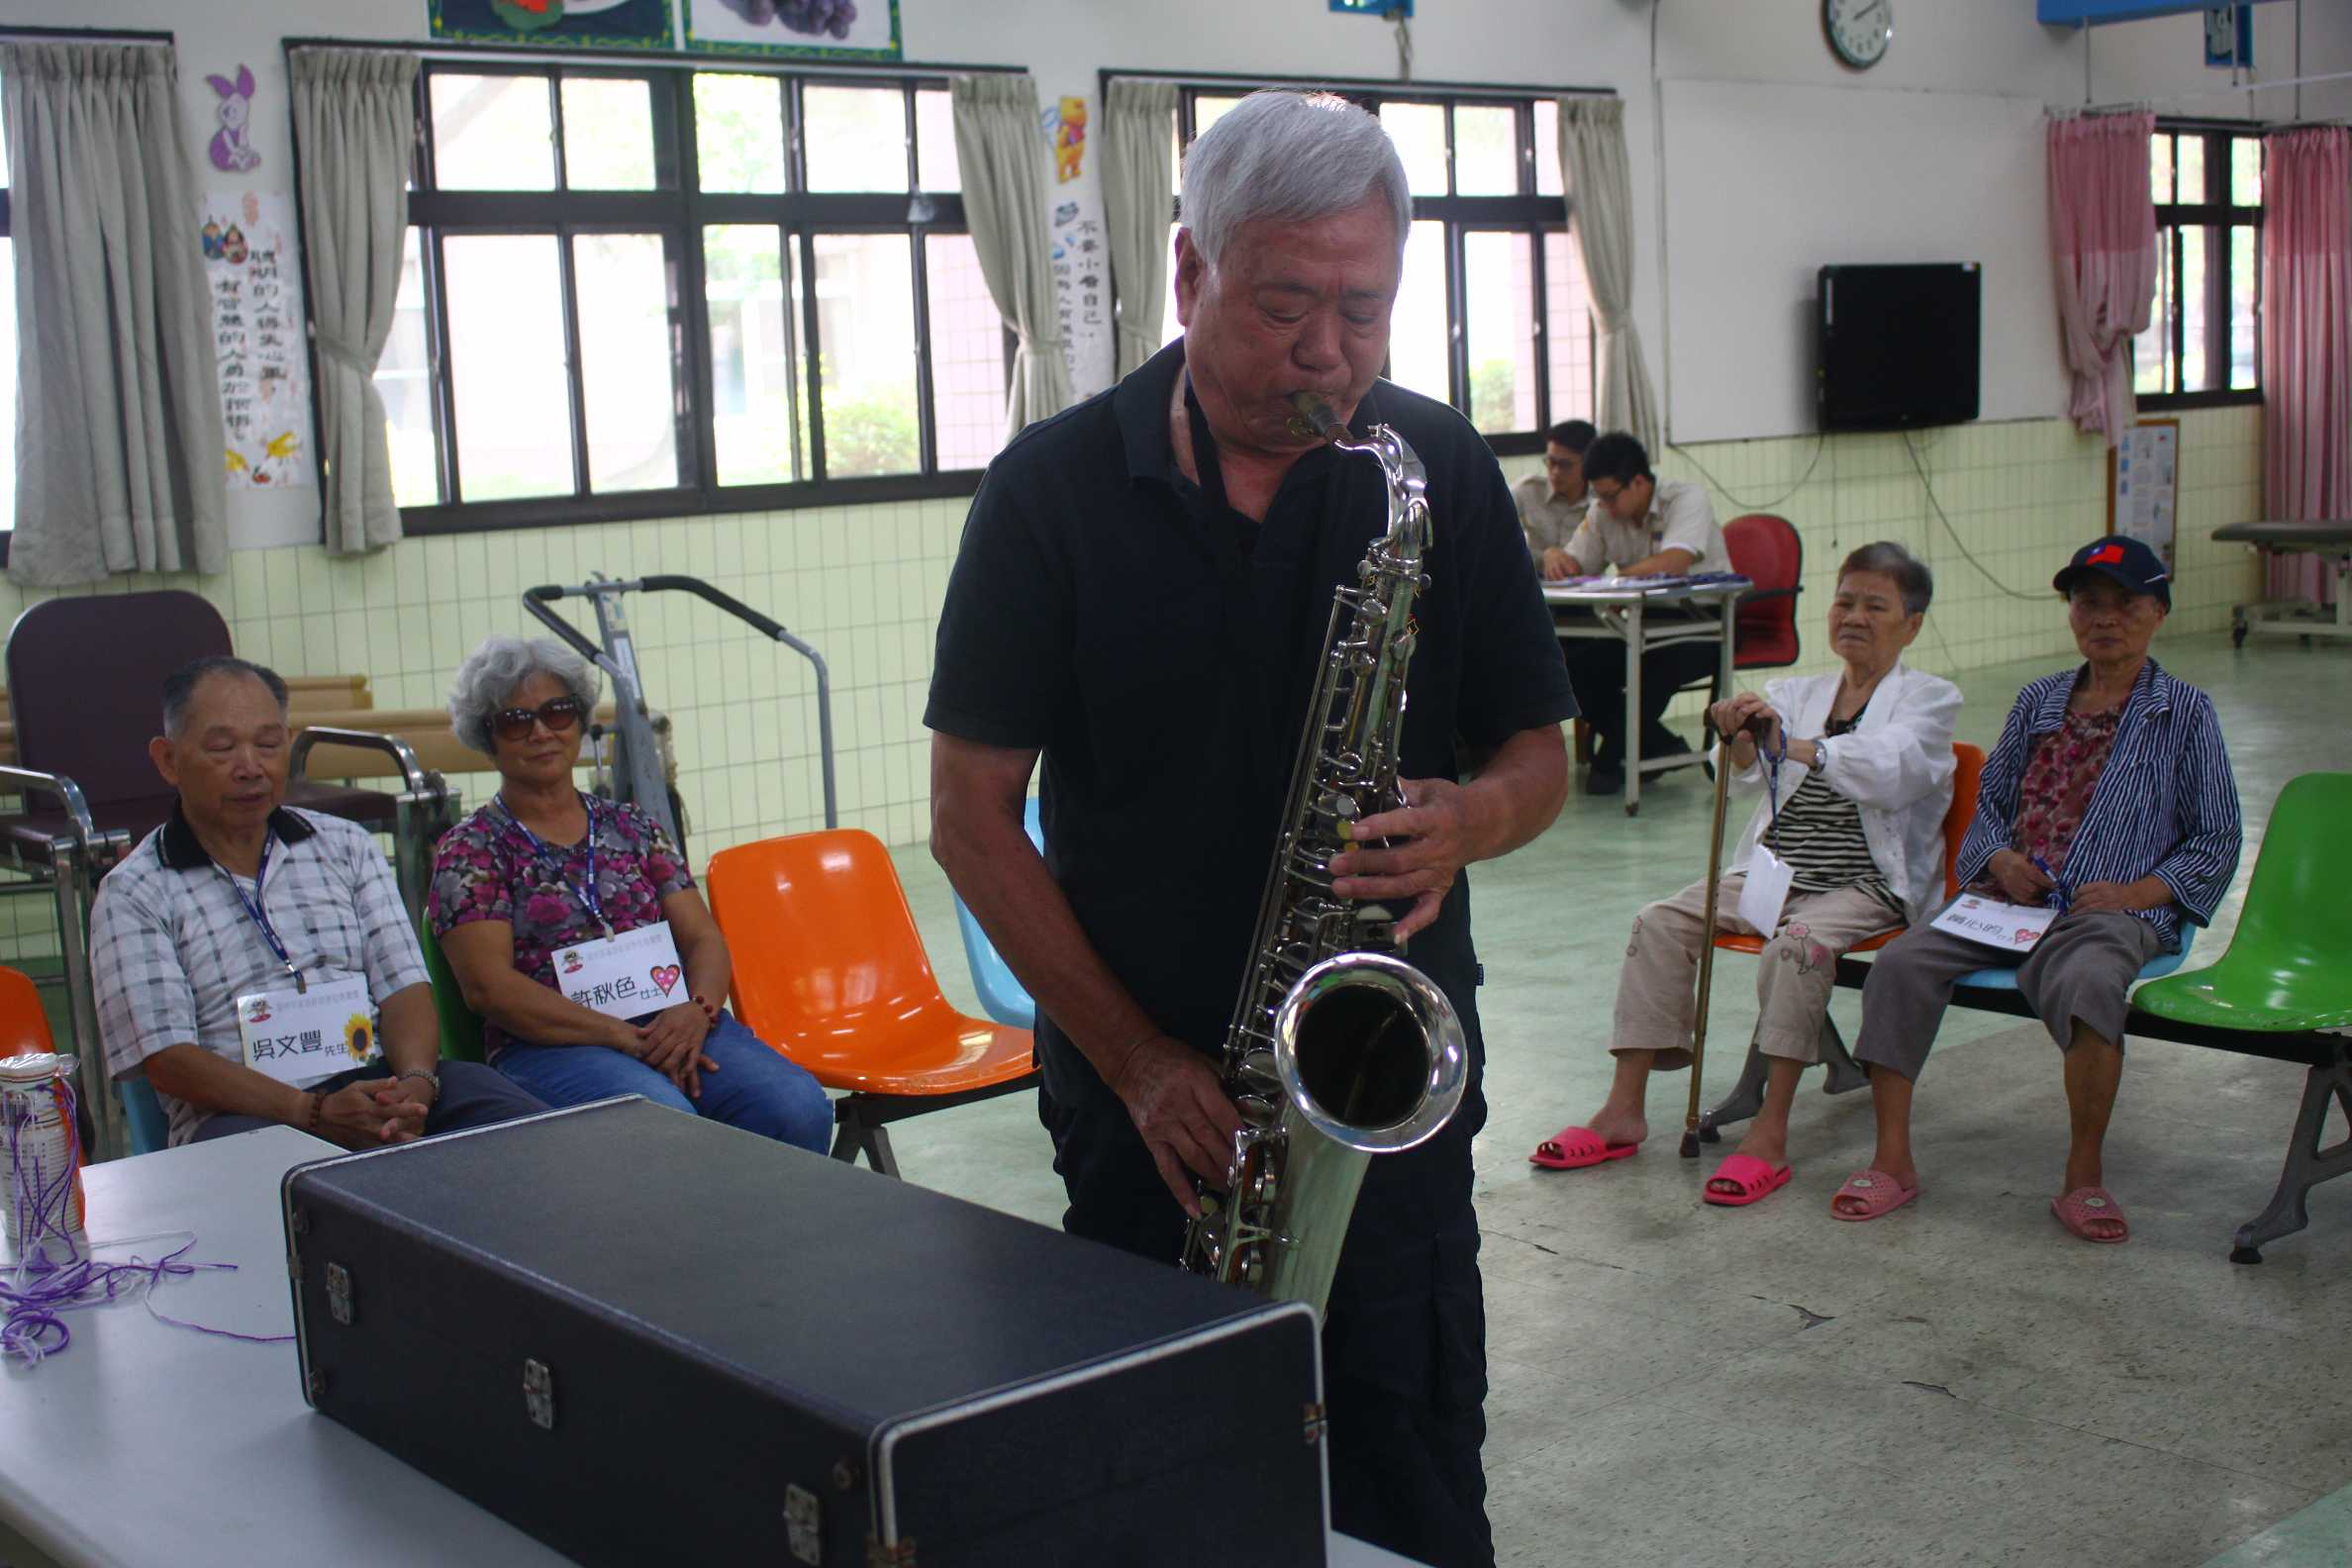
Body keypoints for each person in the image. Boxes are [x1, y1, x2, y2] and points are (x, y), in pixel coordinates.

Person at [925, 90, 1573, 1568]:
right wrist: (1142, 1065)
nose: (1328, 354)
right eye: (1285, 305)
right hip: (1154, 1114)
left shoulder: (1435, 471)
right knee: (1165, 1496)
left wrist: (1471, 817)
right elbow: (971, 820)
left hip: (1380, 1095)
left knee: (1408, 1482)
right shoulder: (1052, 492)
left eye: (1363, 309)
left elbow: (1539, 754)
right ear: (1190, 273)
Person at [1836, 537, 2241, 1241]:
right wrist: (1997, 859)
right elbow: (1990, 805)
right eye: (2089, 602)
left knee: (2088, 984)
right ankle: (1892, 1159)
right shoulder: (2040, 699)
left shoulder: (2184, 712)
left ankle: (2083, 1176)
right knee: (1900, 964)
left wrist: (2137, 893)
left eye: (2126, 604)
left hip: (2109, 910)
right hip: (2009, 907)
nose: (2105, 618)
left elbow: (2217, 836)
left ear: (2158, 612)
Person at [1530, 542, 1959, 1205]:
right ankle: (1624, 1107)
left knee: (1797, 946)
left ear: (1912, 623)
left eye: (1876, 605)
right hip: (1777, 875)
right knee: (1659, 921)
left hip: (1863, 885)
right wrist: (1737, 736)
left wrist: (1796, 746)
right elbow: (1748, 775)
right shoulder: (1798, 691)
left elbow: (1893, 768)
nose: (1854, 615)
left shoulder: (1929, 700)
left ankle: (1772, 1128)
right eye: (1845, 599)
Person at [91, 656, 547, 1149]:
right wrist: (311, 1111)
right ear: (167, 760)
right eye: (222, 748)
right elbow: (169, 1060)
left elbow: (405, 989)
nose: (250, 768)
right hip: (244, 1112)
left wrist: (416, 1084)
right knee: (323, 1194)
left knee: (529, 1132)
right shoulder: (135, 890)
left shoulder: (346, 846)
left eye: (268, 745)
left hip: (380, 1081)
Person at [429, 637, 833, 1154]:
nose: (540, 732)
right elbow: (489, 989)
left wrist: (698, 1010)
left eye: (557, 713)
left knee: (795, 1108)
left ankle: (769, 1235)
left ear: (579, 721)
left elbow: (703, 937)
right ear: (487, 739)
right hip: (550, 1044)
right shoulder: (470, 850)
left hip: (675, 1020)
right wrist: (621, 1036)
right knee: (666, 1124)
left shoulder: (631, 825)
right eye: (514, 721)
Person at [1559, 431, 1734, 794]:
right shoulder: (1602, 510)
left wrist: (1620, 579)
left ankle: (1613, 759)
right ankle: (1656, 745)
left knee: (1648, 666)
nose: (1604, 506)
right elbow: (1579, 564)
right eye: (1599, 497)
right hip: (1636, 624)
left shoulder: (1686, 499)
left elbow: (1674, 562)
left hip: (1703, 626)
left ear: (1639, 482)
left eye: (1610, 496)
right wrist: (1556, 559)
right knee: (1570, 664)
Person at [1515, 418, 1598, 580]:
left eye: (1565, 465)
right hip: (1534, 585)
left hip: (1584, 590)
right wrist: (1544, 555)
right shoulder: (1527, 491)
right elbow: (1493, 534)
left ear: (1588, 463)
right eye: (1551, 462)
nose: (1556, 472)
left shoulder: (1601, 502)